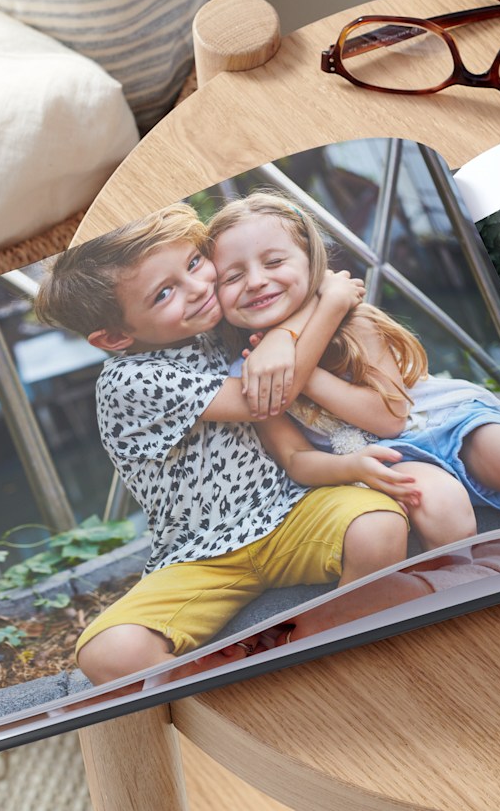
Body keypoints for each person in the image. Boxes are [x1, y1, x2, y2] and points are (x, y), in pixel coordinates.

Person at [34, 203, 412, 686]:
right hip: (201, 553)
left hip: (289, 512)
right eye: (165, 293)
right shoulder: (131, 380)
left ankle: (328, 646)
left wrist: (286, 331)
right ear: (113, 337)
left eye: (193, 263)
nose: (198, 288)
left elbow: (294, 287)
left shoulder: (211, 321)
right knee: (109, 652)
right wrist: (331, 304)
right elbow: (266, 397)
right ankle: (238, 688)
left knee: (377, 527)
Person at [207, 191, 500, 543]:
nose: (257, 281)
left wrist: (302, 370)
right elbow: (295, 459)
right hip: (384, 460)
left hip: (440, 420)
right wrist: (349, 468)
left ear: (312, 263)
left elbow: (390, 417)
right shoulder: (246, 372)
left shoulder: (353, 322)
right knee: (440, 507)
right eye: (234, 276)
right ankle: (467, 577)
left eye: (274, 261)